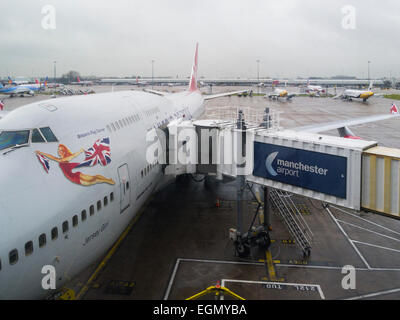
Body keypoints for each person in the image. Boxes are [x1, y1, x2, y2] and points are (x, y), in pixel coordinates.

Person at [36, 144, 115, 186]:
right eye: (59, 150)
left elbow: (73, 156)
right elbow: (52, 157)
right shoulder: (61, 159)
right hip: (73, 176)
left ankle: (108, 180)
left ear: (64, 151)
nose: (59, 152)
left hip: (74, 177)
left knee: (93, 180)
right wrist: (41, 152)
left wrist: (80, 151)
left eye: (61, 150)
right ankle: (107, 180)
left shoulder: (65, 159)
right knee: (94, 179)